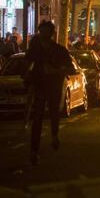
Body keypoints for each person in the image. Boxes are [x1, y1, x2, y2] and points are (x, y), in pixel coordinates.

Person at [25, 22, 75, 166]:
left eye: (46, 32)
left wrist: (55, 71)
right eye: (42, 32)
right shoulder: (35, 50)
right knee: (38, 119)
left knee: (54, 114)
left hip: (54, 87)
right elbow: (27, 65)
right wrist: (27, 76)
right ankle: (34, 151)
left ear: (51, 34)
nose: (43, 35)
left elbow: (71, 69)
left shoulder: (59, 50)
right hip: (40, 87)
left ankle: (54, 135)